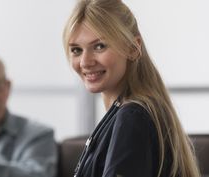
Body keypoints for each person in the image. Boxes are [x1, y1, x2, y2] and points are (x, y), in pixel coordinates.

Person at [62, 0, 200, 177]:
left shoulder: (132, 117)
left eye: (99, 46)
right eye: (76, 50)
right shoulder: (132, 112)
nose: (85, 62)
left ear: (133, 48)